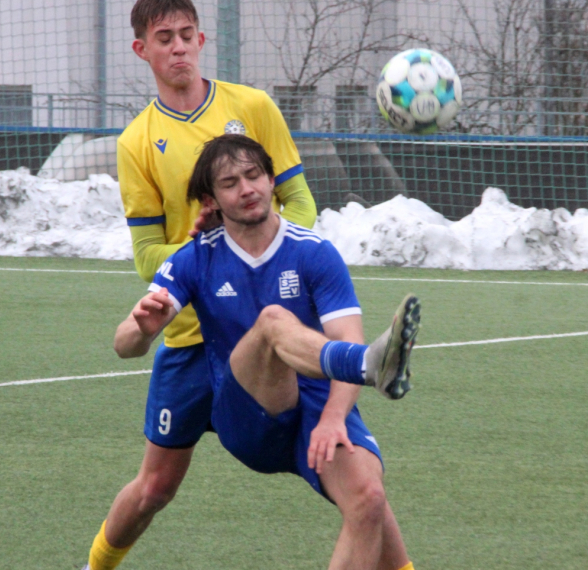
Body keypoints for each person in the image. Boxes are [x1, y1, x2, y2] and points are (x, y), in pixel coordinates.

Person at [84, 0, 317, 570]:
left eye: (187, 36)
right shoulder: (136, 141)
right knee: (154, 489)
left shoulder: (254, 107)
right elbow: (146, 256)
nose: (179, 48)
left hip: (267, 333)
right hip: (190, 340)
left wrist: (263, 255)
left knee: (343, 468)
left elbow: (301, 205)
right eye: (165, 39)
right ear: (142, 49)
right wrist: (201, 249)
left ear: (202, 39)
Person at [112, 133, 421, 570]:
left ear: (272, 179)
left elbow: (347, 333)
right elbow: (123, 345)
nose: (247, 188)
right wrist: (141, 330)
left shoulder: (315, 253)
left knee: (368, 499)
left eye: (254, 175)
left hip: (318, 405)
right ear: (211, 200)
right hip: (249, 413)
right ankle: (370, 366)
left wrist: (334, 418)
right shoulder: (195, 258)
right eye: (230, 183)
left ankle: (367, 366)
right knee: (274, 321)